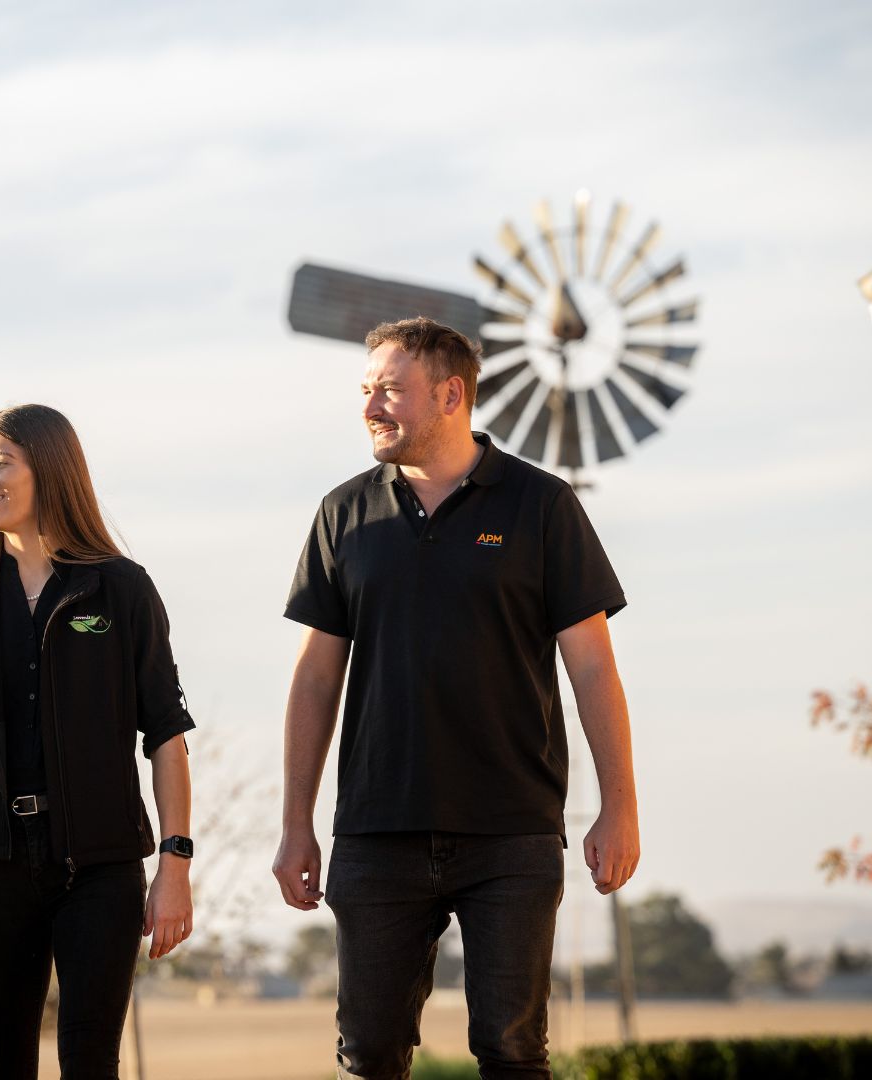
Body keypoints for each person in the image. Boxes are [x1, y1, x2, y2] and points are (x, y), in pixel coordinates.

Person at [272, 318, 639, 1080]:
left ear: (450, 394)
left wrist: (620, 805)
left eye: (389, 389)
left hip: (512, 831)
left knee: (511, 1050)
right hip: (376, 830)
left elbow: (594, 670)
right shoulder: (343, 515)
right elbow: (315, 678)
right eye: (365, 390)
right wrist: (295, 823)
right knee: (369, 1051)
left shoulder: (542, 506)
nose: (371, 405)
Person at [0, 404, 197, 1080]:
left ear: (51, 470)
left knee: (90, 1063)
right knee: (0, 1067)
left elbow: (167, 736)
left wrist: (175, 864)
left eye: (0, 459)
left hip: (102, 869)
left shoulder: (120, 589)